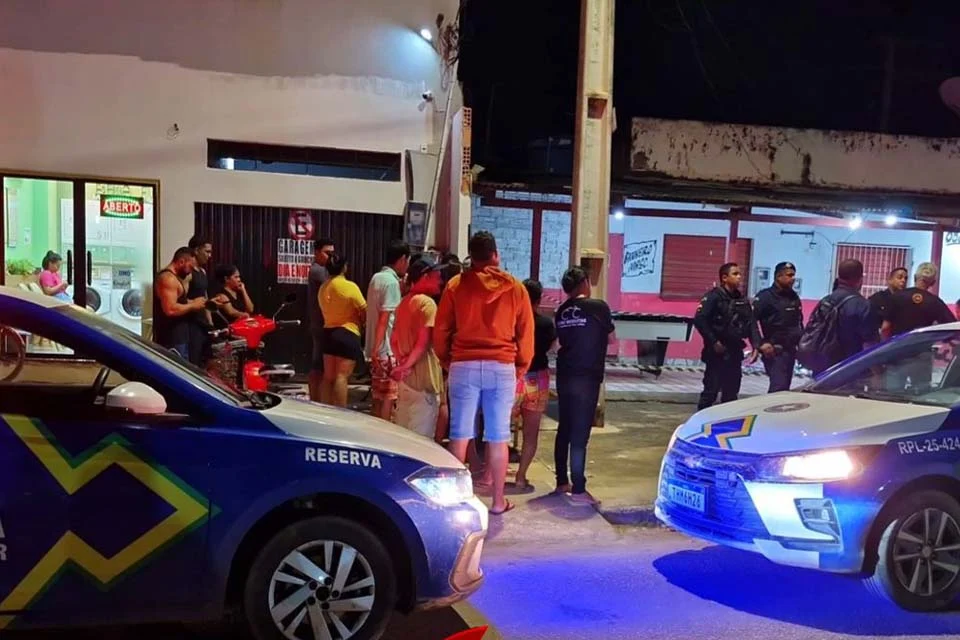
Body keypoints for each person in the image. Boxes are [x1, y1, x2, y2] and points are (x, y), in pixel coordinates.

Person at [434, 231, 534, 516]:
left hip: (463, 364)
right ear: (495, 255)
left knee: (459, 435)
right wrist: (520, 367)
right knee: (498, 436)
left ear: (472, 256)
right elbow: (526, 333)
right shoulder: (515, 288)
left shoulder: (456, 285)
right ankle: (498, 501)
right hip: (501, 366)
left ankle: (454, 502)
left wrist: (447, 360)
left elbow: (441, 329)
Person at [553, 267, 613, 505]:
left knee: (565, 428)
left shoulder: (561, 311)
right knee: (580, 433)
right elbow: (611, 338)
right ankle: (579, 489)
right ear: (585, 283)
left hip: (565, 375)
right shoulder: (598, 307)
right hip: (587, 378)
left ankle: (561, 481)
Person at [693, 263, 766, 410]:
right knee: (710, 392)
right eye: (735, 274)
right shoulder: (714, 297)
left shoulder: (742, 299)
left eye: (739, 274)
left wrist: (756, 346)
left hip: (735, 351)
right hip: (717, 352)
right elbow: (700, 320)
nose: (739, 277)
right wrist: (714, 341)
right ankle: (701, 420)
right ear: (724, 278)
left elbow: (751, 323)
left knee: (731, 394)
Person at [390, 255, 445, 437]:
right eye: (437, 276)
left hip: (405, 382)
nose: (440, 281)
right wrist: (407, 365)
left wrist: (402, 365)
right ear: (425, 277)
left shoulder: (403, 303)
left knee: (403, 436)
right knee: (421, 441)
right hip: (424, 381)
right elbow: (423, 342)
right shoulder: (427, 304)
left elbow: (394, 340)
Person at [509, 279, 556, 493]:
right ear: (539, 299)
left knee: (499, 431)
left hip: (514, 376)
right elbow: (553, 347)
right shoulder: (546, 324)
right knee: (531, 433)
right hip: (539, 378)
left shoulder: (512, 321)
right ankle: (521, 477)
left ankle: (493, 475)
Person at [805, 259, 879, 375]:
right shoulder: (863, 306)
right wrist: (876, 371)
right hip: (850, 369)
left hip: (822, 369)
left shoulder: (825, 301)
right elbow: (869, 343)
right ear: (860, 279)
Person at [365, 240, 411, 420]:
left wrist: (373, 349)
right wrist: (378, 349)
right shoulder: (392, 283)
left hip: (377, 350)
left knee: (377, 396)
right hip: (386, 351)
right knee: (388, 398)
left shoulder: (376, 278)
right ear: (402, 259)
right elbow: (384, 318)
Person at [319, 253, 367, 407]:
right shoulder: (349, 287)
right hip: (347, 333)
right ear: (344, 267)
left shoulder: (323, 288)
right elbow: (364, 310)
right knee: (342, 376)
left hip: (328, 333)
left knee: (328, 377)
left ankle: (324, 410)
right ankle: (340, 413)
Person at [753, 261, 803, 393]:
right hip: (775, 352)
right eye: (789, 275)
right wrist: (760, 343)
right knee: (778, 389)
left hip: (791, 351)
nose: (793, 279)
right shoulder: (765, 297)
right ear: (779, 276)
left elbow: (798, 322)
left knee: (784, 390)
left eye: (793, 275)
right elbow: (750, 321)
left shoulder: (793, 296)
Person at [154, 247, 206, 359]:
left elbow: (179, 302)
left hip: (180, 337)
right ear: (181, 262)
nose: (191, 271)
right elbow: (170, 309)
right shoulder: (168, 279)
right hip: (171, 339)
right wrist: (193, 305)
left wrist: (198, 302)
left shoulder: (175, 278)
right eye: (190, 267)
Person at [882, 263, 955, 339]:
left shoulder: (896, 296)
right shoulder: (935, 302)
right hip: (921, 345)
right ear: (933, 282)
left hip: (897, 344)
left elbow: (885, 328)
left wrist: (887, 342)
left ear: (915, 277)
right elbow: (951, 327)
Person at [308, 238, 335, 402]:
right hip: (320, 324)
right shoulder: (318, 271)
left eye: (332, 254)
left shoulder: (322, 270)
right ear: (317, 253)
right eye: (327, 253)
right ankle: (316, 399)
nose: (331, 257)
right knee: (318, 365)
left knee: (320, 364)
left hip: (322, 323)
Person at [186, 236, 214, 367]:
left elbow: (205, 297)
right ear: (196, 250)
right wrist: (193, 303)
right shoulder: (188, 272)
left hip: (203, 323)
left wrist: (210, 322)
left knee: (205, 360)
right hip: (191, 323)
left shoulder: (202, 271)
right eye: (207, 252)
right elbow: (180, 298)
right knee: (193, 360)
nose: (209, 256)